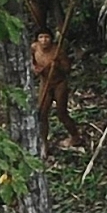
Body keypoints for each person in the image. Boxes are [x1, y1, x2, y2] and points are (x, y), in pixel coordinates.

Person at [30, 28, 83, 158]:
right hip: (45, 83)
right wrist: (36, 68)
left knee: (62, 113)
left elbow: (67, 68)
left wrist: (58, 64)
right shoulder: (34, 48)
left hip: (59, 83)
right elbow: (31, 62)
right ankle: (44, 143)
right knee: (42, 113)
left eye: (46, 37)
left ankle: (75, 137)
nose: (44, 41)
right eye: (41, 37)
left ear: (51, 39)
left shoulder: (57, 50)